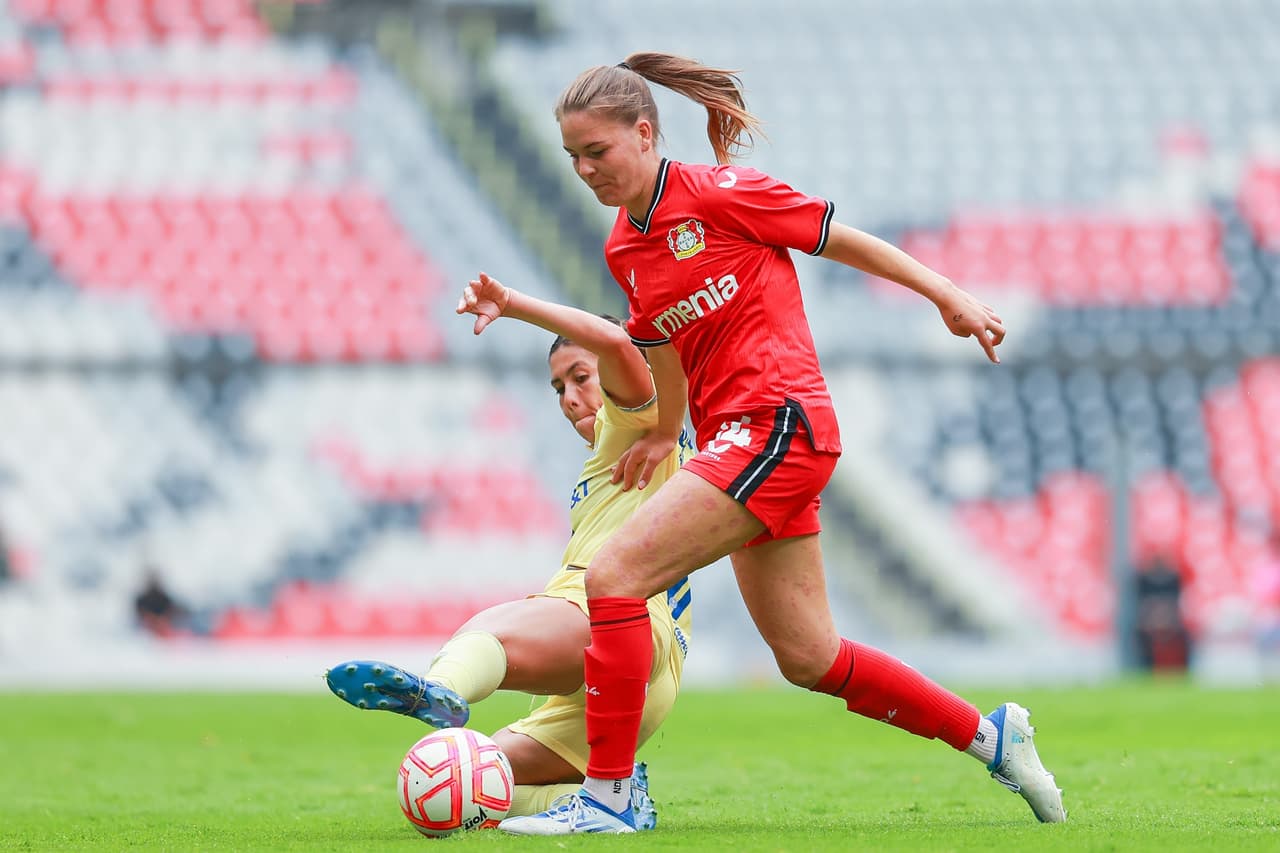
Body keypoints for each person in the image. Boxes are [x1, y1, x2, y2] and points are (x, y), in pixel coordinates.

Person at [498, 52, 1065, 836]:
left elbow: (841, 239)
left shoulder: (723, 193)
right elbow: (660, 339)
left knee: (615, 577)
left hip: (777, 423)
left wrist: (947, 294)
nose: (585, 170)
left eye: (597, 150)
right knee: (809, 656)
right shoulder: (625, 246)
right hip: (739, 441)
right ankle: (992, 737)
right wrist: (663, 428)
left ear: (645, 133)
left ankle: (609, 797)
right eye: (573, 157)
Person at [325, 278, 695, 828]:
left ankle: (442, 689)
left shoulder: (633, 421)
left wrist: (515, 305)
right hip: (649, 675)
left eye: (581, 377)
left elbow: (618, 345)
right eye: (558, 388)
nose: (569, 398)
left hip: (611, 613)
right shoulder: (637, 448)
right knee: (472, 778)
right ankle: (611, 800)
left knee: (488, 633)